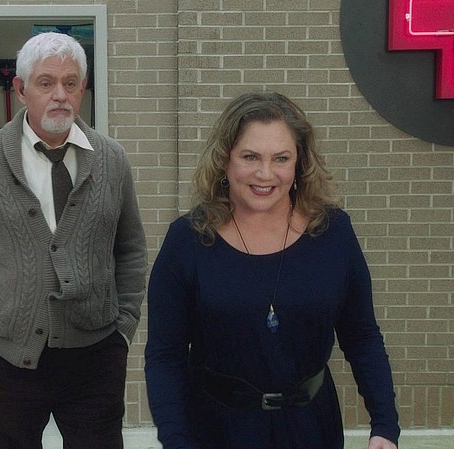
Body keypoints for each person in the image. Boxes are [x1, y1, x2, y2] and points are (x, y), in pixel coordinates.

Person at [144, 92, 400, 449]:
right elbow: (165, 355)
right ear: (225, 160)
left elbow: (362, 336)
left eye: (281, 158)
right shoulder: (187, 241)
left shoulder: (333, 232)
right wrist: (174, 439)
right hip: (215, 431)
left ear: (299, 164)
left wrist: (385, 424)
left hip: (312, 429)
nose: (265, 174)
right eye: (250, 157)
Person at [0, 32, 148, 449]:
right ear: (20, 90)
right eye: (46, 83)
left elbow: (131, 250)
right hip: (0, 358)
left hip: (95, 355)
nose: (60, 95)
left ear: (83, 89)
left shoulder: (112, 160)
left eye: (70, 83)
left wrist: (123, 329)